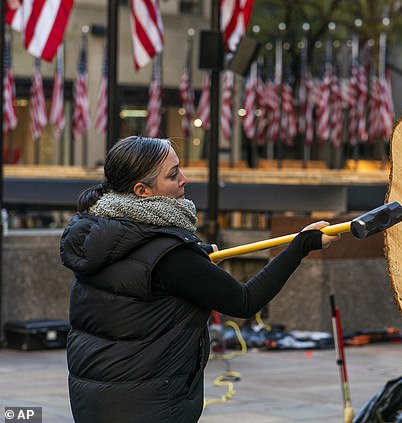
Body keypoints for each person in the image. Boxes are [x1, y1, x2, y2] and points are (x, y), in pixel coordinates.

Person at [60, 135, 340, 422]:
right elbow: (244, 301)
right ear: (142, 190)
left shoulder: (103, 234)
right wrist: (300, 247)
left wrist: (195, 257)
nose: (185, 178)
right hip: (148, 404)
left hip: (95, 399)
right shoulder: (170, 255)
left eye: (179, 168)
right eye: (173, 175)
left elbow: (140, 281)